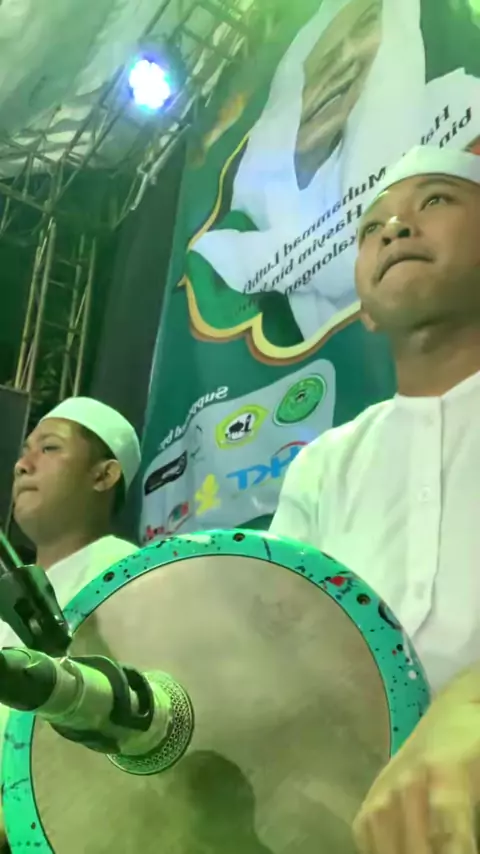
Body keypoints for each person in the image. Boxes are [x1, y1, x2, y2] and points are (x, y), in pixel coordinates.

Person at [270, 143, 480, 851]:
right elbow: (276, 653)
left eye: (436, 200)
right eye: (372, 228)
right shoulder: (323, 466)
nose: (396, 229)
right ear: (362, 308)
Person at [188, 0, 480, 345]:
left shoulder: (462, 108)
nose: (347, 56)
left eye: (365, 26)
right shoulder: (233, 247)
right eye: (326, 54)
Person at [0, 397, 141, 849]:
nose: (23, 465)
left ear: (104, 475)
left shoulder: (126, 574)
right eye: (25, 451)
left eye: (49, 448)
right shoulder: (11, 592)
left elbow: (113, 732)